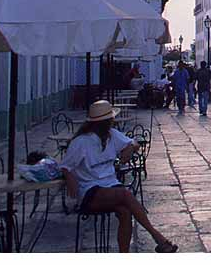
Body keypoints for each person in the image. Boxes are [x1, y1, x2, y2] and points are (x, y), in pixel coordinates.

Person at [60, 100, 178, 252]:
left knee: (125, 211)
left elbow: (134, 143)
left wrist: (130, 148)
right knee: (124, 194)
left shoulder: (112, 135)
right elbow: (65, 166)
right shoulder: (81, 142)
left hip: (111, 185)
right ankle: (157, 236)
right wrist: (70, 179)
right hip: (90, 190)